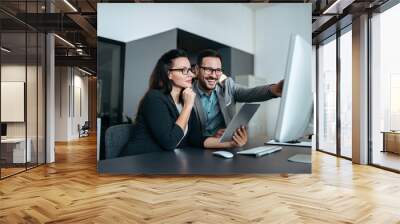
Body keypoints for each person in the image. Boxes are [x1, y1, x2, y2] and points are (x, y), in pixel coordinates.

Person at [119, 49, 246, 156]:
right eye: (184, 70)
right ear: (169, 74)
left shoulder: (183, 99)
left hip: (165, 162)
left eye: (190, 70)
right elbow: (170, 142)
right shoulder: (154, 98)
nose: (190, 74)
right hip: (137, 161)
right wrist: (188, 106)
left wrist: (231, 143)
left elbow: (196, 139)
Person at [192, 49, 284, 148]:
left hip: (225, 148)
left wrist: (275, 89)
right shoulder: (187, 93)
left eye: (218, 70)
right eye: (208, 69)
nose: (214, 75)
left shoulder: (228, 87)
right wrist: (211, 137)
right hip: (195, 149)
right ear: (197, 69)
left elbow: (250, 93)